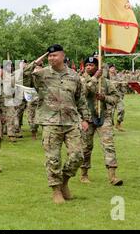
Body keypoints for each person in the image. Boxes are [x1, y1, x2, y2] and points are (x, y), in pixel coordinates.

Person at [23, 44, 90, 204]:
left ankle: (64, 182)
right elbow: (22, 77)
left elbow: (80, 99)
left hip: (71, 121)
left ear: (63, 56)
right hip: (50, 121)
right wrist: (36, 61)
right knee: (53, 159)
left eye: (55, 56)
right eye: (49, 56)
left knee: (78, 156)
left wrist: (85, 118)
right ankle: (56, 191)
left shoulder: (74, 76)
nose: (51, 58)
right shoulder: (41, 74)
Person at [80, 57, 123, 186]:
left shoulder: (106, 82)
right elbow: (83, 92)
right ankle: (84, 174)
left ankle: (112, 176)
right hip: (87, 118)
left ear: (97, 67)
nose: (89, 67)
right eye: (87, 65)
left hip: (103, 118)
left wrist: (104, 97)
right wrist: (94, 79)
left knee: (109, 146)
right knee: (86, 147)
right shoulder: (80, 80)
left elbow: (116, 98)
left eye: (92, 65)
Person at [109, 64, 127, 131]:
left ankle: (118, 123)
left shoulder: (118, 77)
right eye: (111, 68)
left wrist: (124, 84)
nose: (113, 69)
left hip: (118, 96)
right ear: (109, 69)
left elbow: (122, 85)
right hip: (110, 97)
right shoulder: (107, 77)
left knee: (122, 109)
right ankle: (110, 126)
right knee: (111, 112)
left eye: (114, 68)